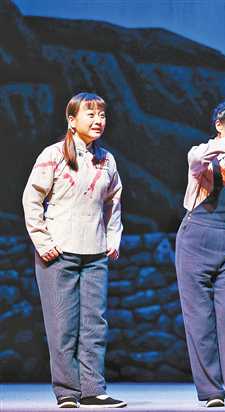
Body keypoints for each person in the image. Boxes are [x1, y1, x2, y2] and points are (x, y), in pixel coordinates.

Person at [22, 92, 125, 409]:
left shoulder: (106, 160)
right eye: (90, 115)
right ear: (71, 120)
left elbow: (114, 202)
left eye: (102, 115)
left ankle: (93, 389)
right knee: (62, 324)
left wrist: (112, 238)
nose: (98, 121)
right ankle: (67, 390)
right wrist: (43, 242)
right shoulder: (53, 155)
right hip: (59, 251)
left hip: (94, 252)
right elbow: (31, 199)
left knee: (95, 324)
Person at [175, 100, 225, 408]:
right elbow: (196, 157)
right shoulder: (204, 155)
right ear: (219, 126)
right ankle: (211, 392)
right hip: (196, 239)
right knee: (199, 317)